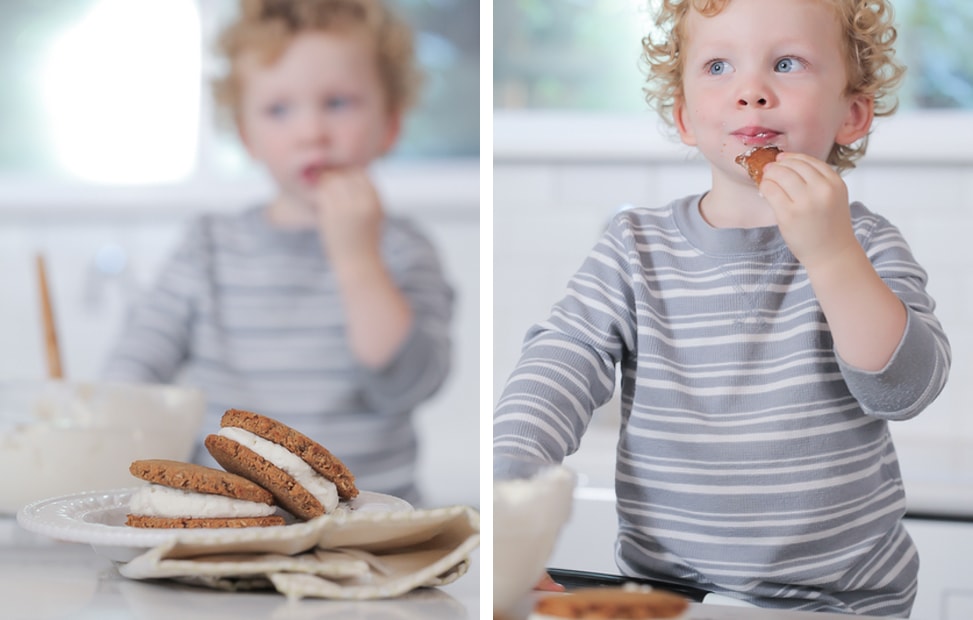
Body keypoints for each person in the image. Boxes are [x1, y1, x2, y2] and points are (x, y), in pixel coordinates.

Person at [494, 0, 950, 615]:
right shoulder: (635, 245)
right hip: (669, 595)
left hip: (840, 602)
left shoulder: (863, 242)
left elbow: (903, 390)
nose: (752, 92)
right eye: (717, 66)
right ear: (683, 117)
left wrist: (832, 255)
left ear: (853, 112)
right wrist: (508, 486)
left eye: (787, 63)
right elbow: (560, 361)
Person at [104, 0, 454, 506]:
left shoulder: (402, 249)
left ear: (391, 123)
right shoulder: (208, 248)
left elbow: (407, 383)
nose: (311, 132)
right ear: (248, 136)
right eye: (279, 109)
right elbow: (133, 373)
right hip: (235, 520)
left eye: (338, 103)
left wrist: (358, 258)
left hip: (371, 523)